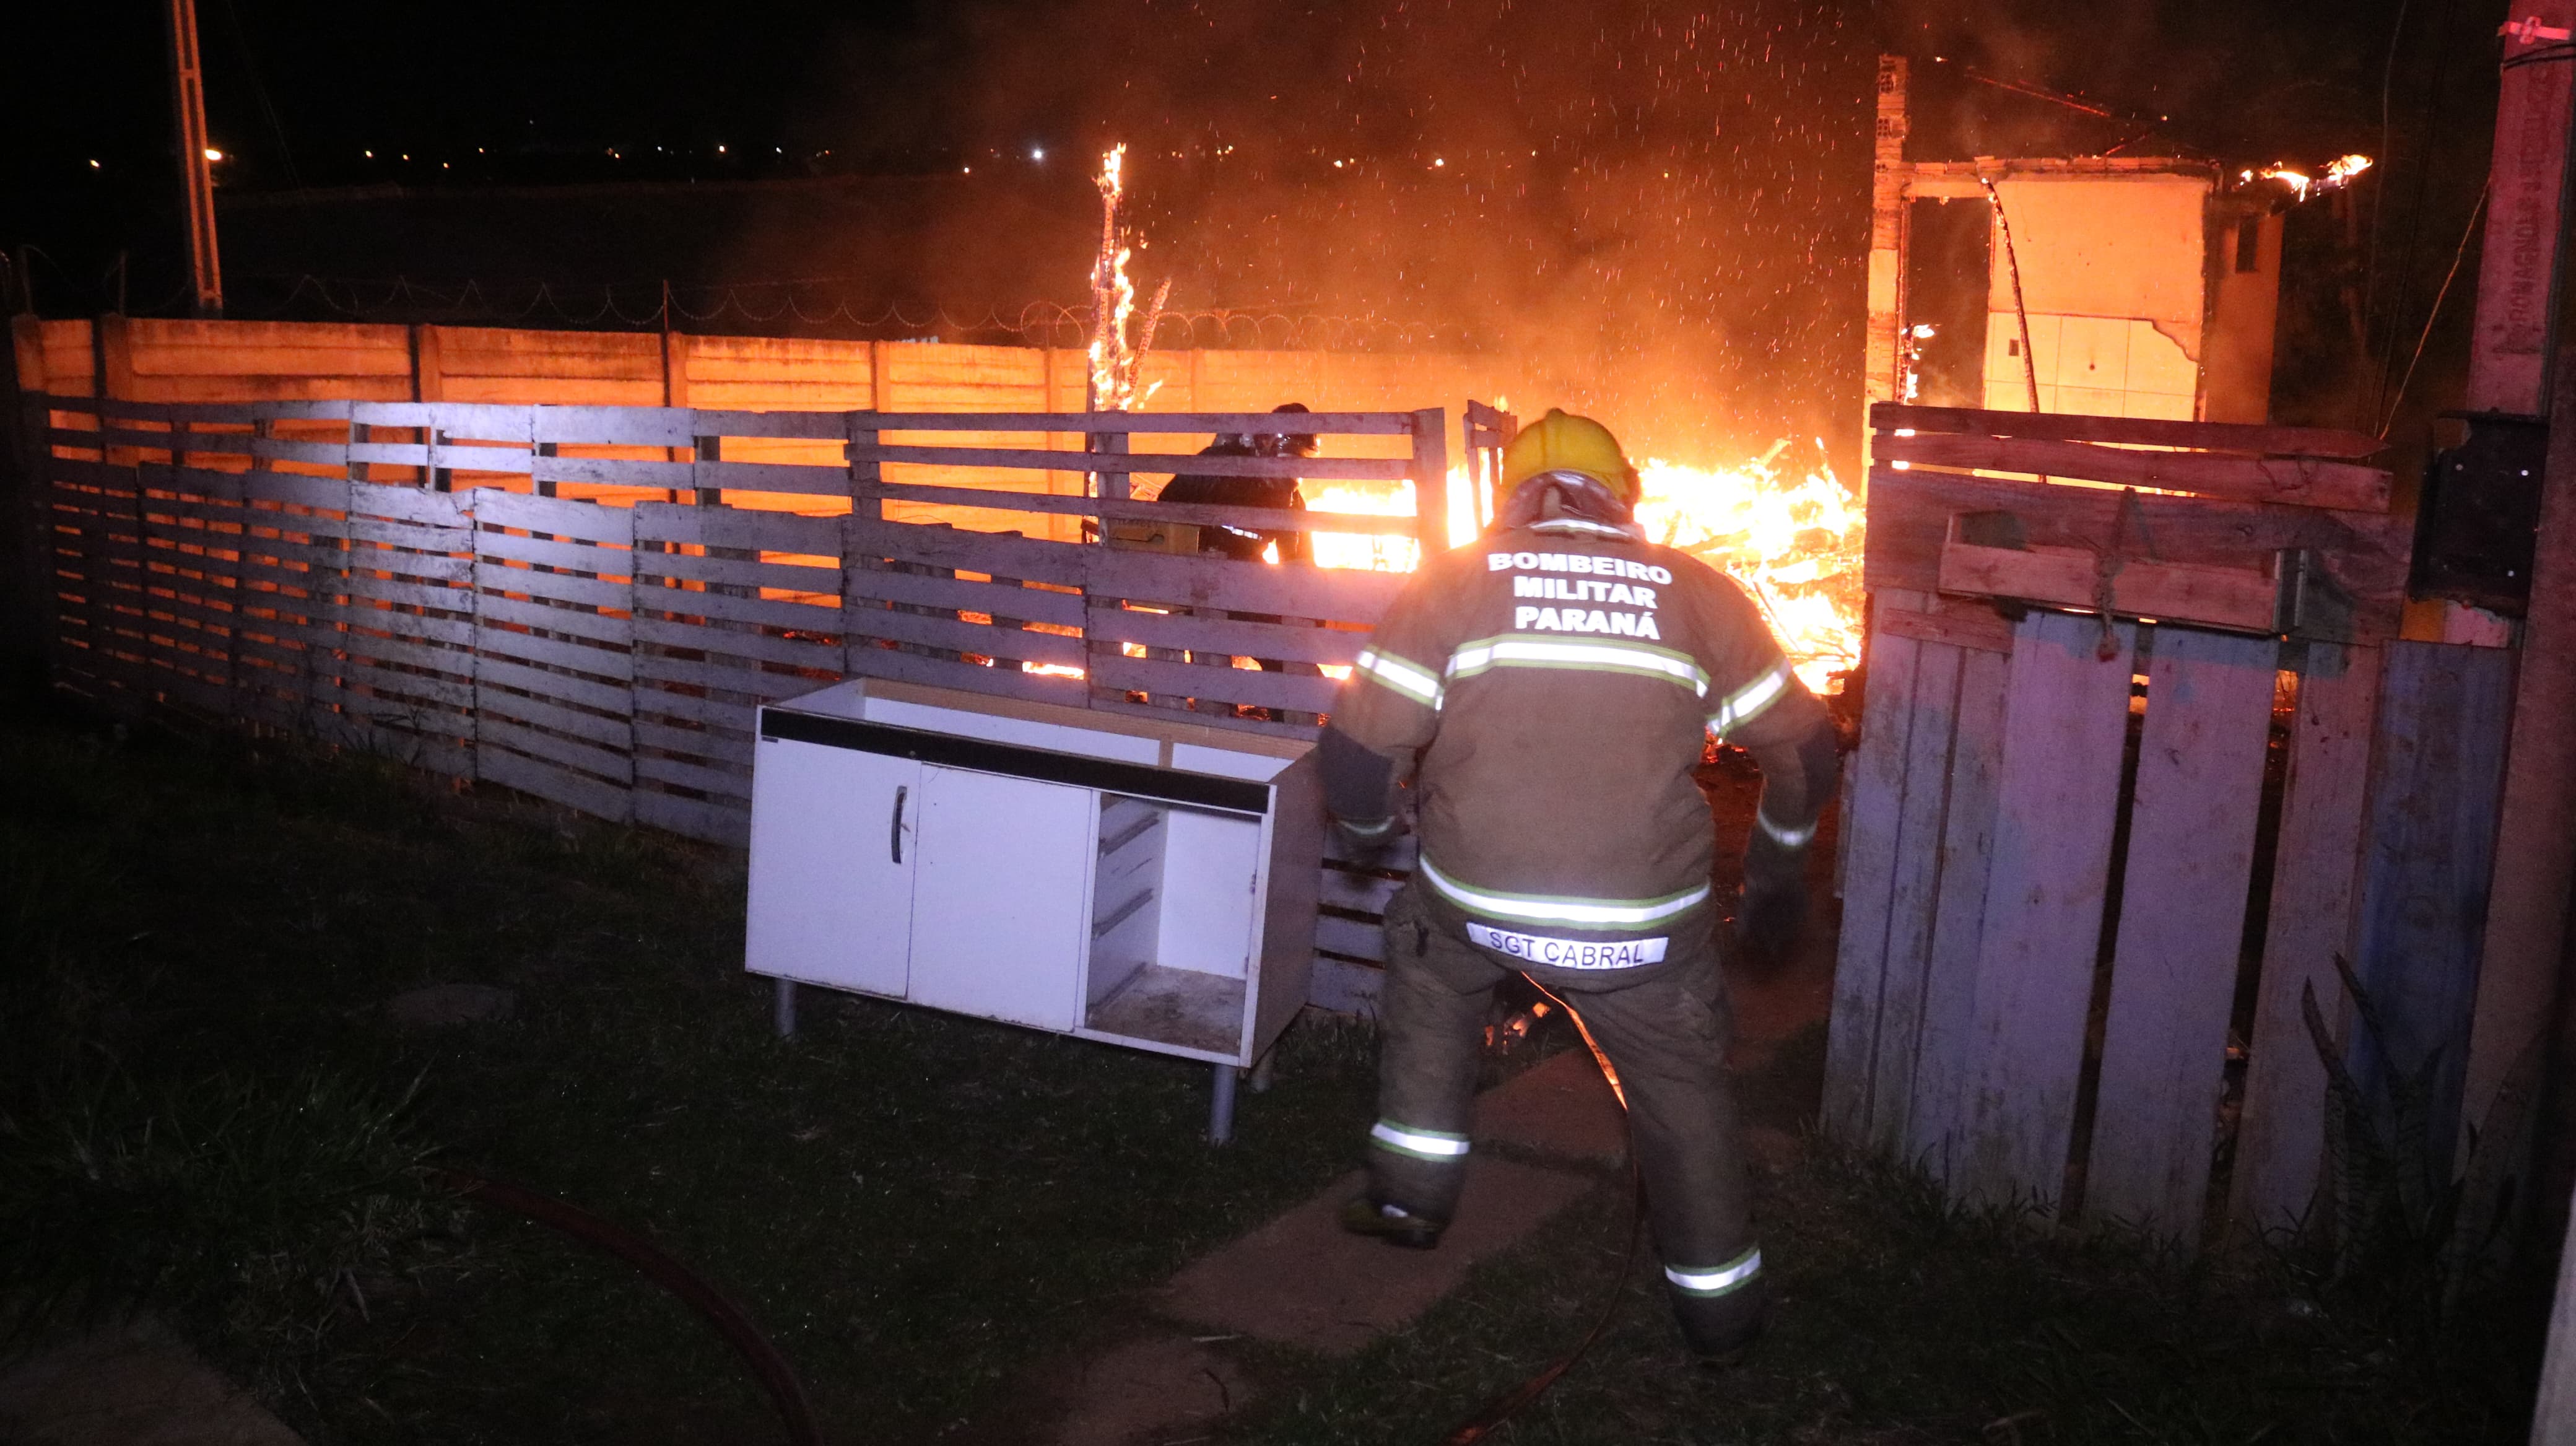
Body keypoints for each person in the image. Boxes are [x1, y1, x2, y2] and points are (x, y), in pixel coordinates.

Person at [1320, 407, 1840, 1365]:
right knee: (1683, 1092)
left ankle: (1410, 1194)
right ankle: (1722, 1317)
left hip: (1476, 906)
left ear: (1511, 496)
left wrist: (1368, 836)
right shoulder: (1698, 592)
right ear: (1624, 497)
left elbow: (1354, 758)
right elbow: (1805, 750)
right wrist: (1774, 869)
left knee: (1428, 967)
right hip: (1643, 933)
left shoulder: (1454, 582)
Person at [1157, 403, 1317, 564]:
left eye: (1302, 458)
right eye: (1291, 454)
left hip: (1244, 576)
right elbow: (1162, 516)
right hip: (1194, 569)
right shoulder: (1216, 466)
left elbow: (1298, 565)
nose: (1295, 466)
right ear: (1265, 443)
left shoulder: (1291, 501)